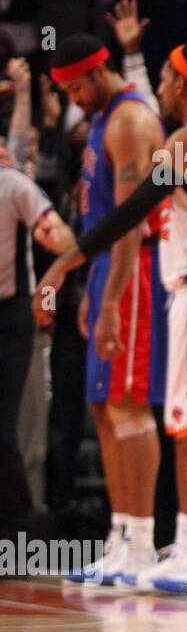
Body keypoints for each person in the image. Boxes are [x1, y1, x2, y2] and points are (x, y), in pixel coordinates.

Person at [39, 40, 187, 596]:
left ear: (182, 86)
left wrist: (67, 261)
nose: (157, 88)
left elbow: (130, 213)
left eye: (163, 78)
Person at [41, 34, 167, 589]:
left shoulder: (130, 120)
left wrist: (111, 300)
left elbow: (132, 222)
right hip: (106, 271)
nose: (73, 97)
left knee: (128, 404)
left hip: (134, 270)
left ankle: (142, 542)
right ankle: (121, 536)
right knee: (101, 406)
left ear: (95, 73)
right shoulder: (100, 119)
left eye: (74, 87)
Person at [0, 164, 74, 529]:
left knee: (5, 430)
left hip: (11, 316)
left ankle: (20, 531)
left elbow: (65, 243)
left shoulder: (13, 185)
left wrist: (46, 297)